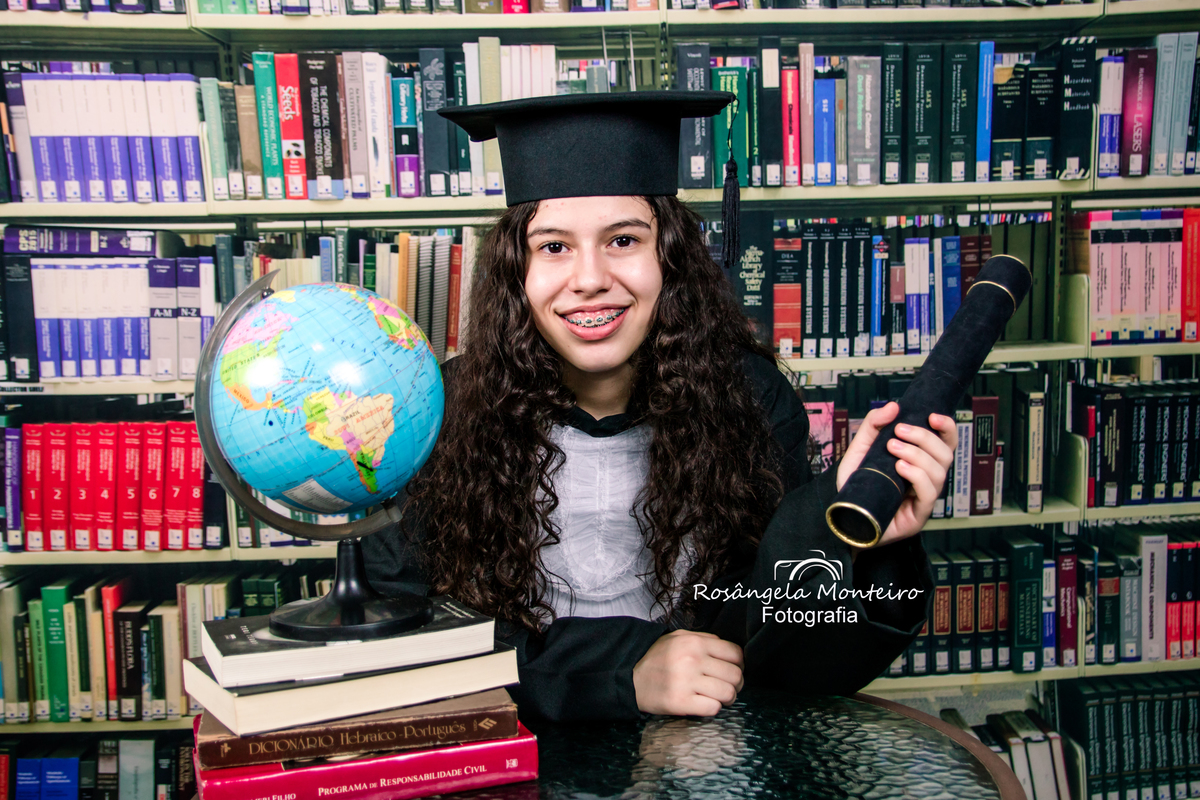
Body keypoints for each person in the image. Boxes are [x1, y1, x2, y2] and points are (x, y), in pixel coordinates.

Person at [362, 90, 955, 721]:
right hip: (502, 757)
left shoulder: (747, 398)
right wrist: (624, 669)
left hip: (704, 758)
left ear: (670, 260)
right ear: (516, 274)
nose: (589, 278)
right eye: (554, 247)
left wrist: (866, 548)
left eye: (623, 239)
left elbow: (792, 651)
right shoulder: (440, 413)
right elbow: (395, 634)